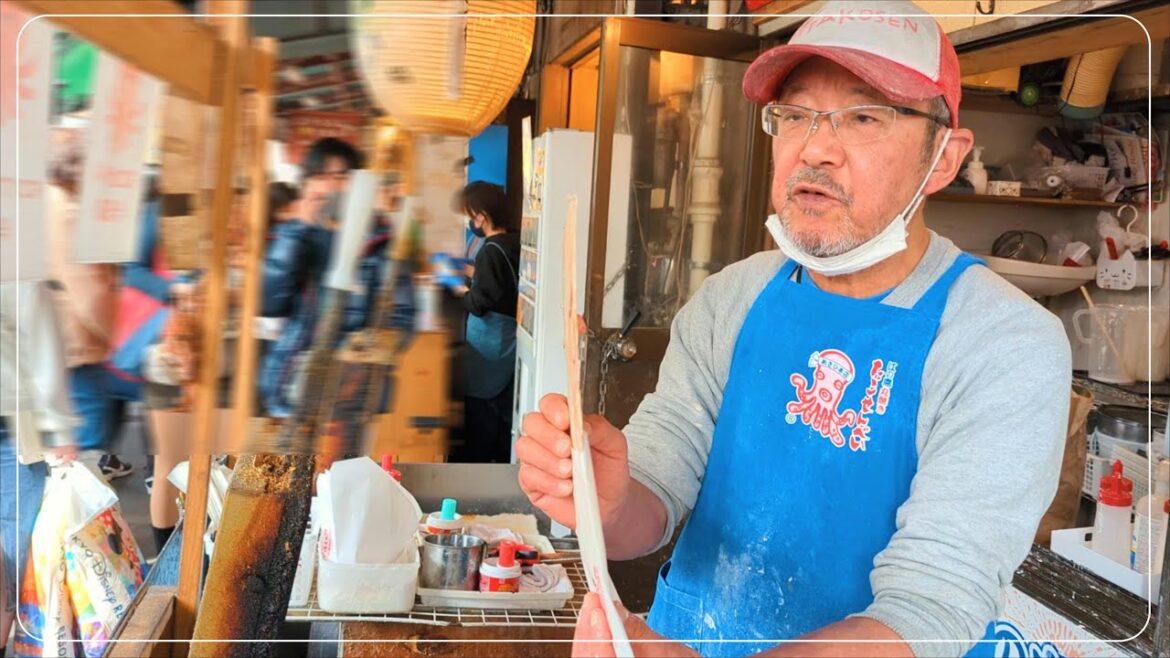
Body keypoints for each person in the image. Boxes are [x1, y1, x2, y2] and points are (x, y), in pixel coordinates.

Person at [517, 3, 1071, 657]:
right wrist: (605, 502)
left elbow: (929, 608)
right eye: (796, 114)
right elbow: (654, 498)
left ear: (943, 158)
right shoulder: (732, 297)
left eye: (864, 117)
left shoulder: (1001, 343)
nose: (815, 149)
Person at [44, 126, 132, 480]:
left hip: (56, 336)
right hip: (78, 340)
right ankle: (80, 525)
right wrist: (113, 333)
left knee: (70, 434)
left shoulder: (47, 200)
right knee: (88, 436)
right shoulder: (69, 212)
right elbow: (88, 290)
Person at [0, 280, 79, 657]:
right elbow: (45, 358)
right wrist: (58, 430)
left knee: (15, 558)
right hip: (10, 440)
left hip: (9, 439)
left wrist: (57, 429)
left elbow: (43, 356)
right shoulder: (22, 271)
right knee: (14, 557)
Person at [449, 182, 520, 464]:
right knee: (501, 414)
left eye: (469, 215)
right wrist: (467, 270)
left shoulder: (490, 249)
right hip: (509, 341)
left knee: (481, 414)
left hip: (490, 346)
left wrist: (458, 288)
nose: (469, 222)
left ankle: (476, 467)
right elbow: (500, 278)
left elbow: (478, 304)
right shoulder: (513, 240)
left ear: (482, 214)